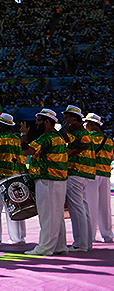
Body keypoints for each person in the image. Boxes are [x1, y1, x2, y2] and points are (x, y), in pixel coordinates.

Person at [24, 108, 68, 256]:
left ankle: (44, 248)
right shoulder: (58, 137)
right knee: (57, 216)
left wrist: (24, 135)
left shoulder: (46, 137)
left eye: (39, 121)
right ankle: (59, 246)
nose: (36, 124)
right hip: (58, 180)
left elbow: (27, 151)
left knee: (48, 215)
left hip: (47, 180)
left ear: (47, 121)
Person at [0, 112, 27, 245]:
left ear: (1, 125)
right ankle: (18, 237)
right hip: (14, 177)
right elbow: (22, 159)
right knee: (15, 207)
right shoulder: (17, 139)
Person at [61, 105, 94, 252]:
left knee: (76, 209)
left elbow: (62, 137)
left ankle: (80, 244)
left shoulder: (80, 134)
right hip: (82, 174)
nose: (64, 120)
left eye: (66, 117)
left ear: (74, 119)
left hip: (75, 173)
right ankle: (86, 242)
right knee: (82, 208)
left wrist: (65, 127)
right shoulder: (82, 133)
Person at [84, 113, 113, 242]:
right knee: (105, 205)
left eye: (86, 123)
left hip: (92, 174)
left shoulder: (88, 138)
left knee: (91, 205)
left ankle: (90, 235)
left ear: (92, 124)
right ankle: (107, 234)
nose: (84, 125)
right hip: (105, 173)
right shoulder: (109, 140)